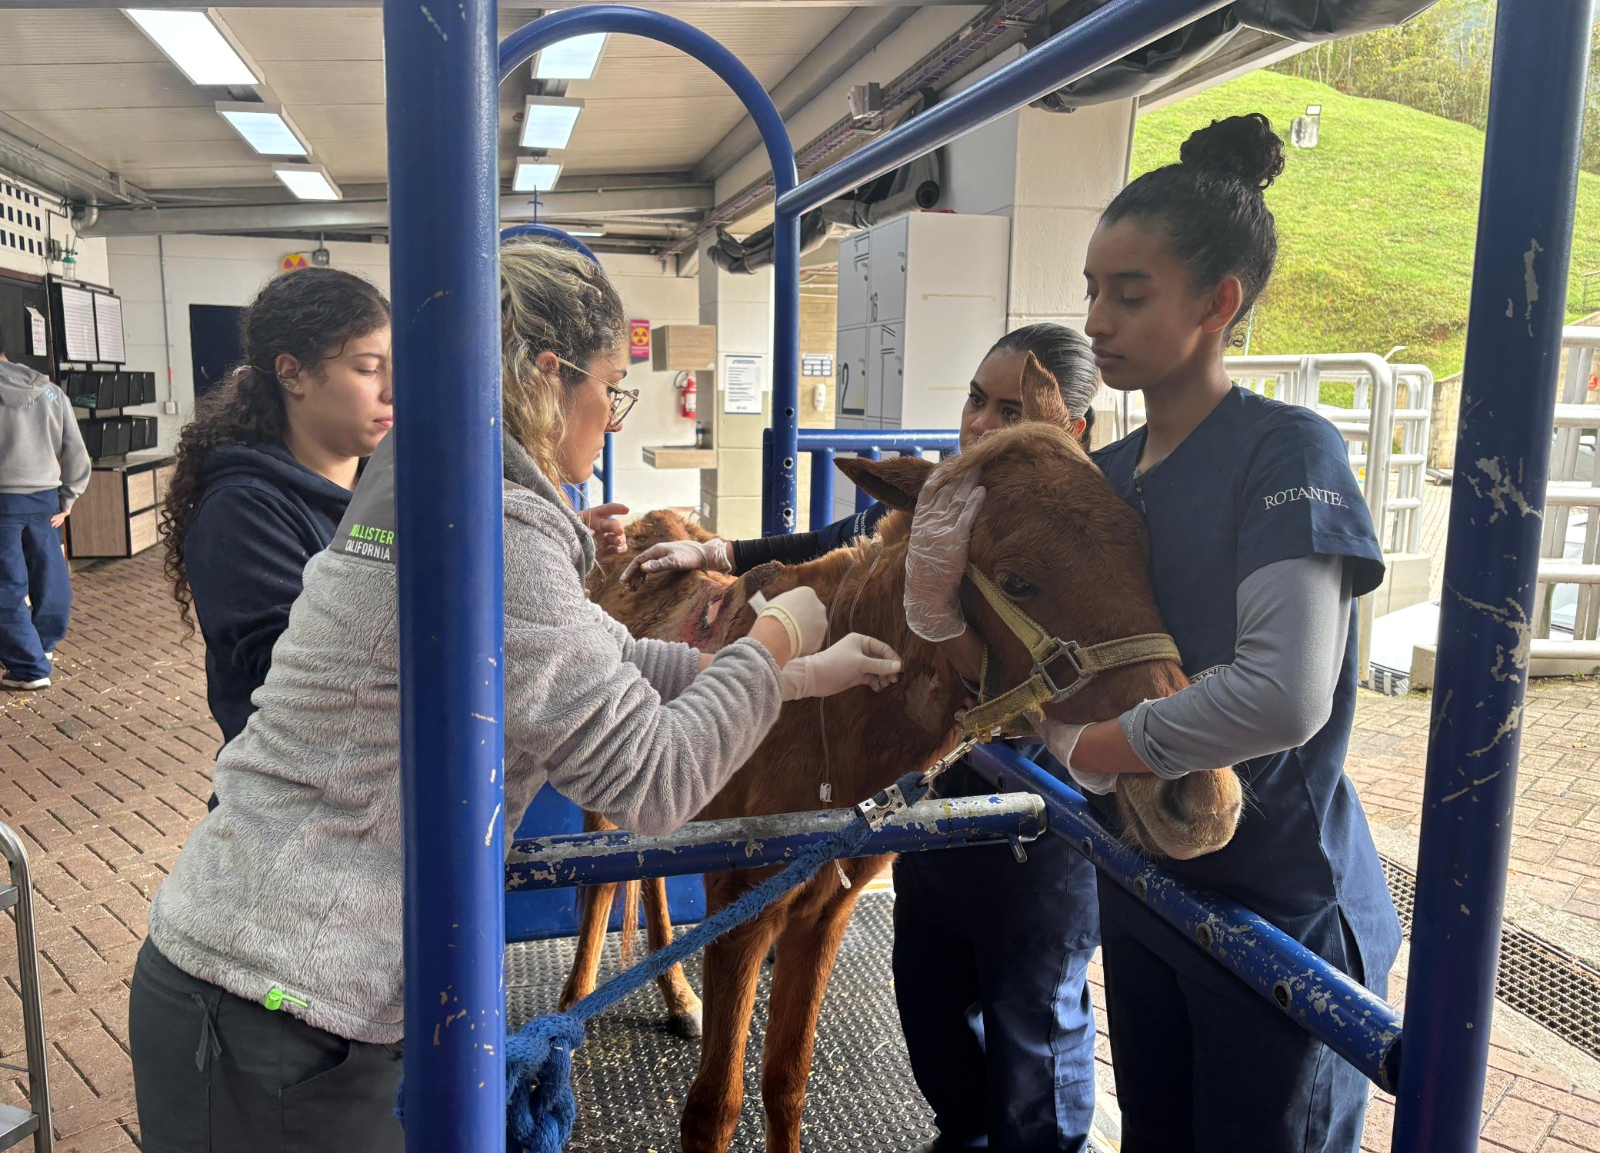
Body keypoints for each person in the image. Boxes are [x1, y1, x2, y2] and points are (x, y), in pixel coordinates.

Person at [126, 239, 902, 1153]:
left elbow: (611, 660)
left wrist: (810, 675)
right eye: (613, 388)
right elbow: (654, 786)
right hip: (281, 1003)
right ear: (550, 373)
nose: (612, 418)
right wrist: (773, 643)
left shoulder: (436, 480)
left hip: (278, 977)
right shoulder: (492, 522)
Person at [905, 115, 1401, 1153]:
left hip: (1277, 899)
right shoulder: (1111, 480)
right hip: (1145, 881)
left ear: (1218, 304)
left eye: (1128, 295)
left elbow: (1281, 694)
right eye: (1090, 290)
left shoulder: (1284, 450)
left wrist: (1085, 750)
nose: (1097, 319)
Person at [626, 324, 1105, 1152]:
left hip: (1024, 796)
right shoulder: (949, 498)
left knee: (1032, 1025)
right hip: (924, 784)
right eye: (975, 400)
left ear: (1071, 430)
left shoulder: (1071, 529)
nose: (983, 425)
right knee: (934, 1006)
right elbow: (841, 546)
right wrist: (724, 553)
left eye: (1010, 409)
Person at [160, 268, 393, 764]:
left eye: (398, 367)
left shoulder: (396, 484)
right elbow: (296, 678)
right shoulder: (242, 508)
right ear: (292, 373)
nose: (393, 390)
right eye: (369, 368)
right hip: (299, 798)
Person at [0, 343, 91, 690]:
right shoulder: (50, 392)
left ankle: (28, 667)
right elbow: (75, 450)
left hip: (3, 500)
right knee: (50, 573)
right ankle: (43, 645)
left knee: (6, 585)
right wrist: (68, 497)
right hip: (45, 499)